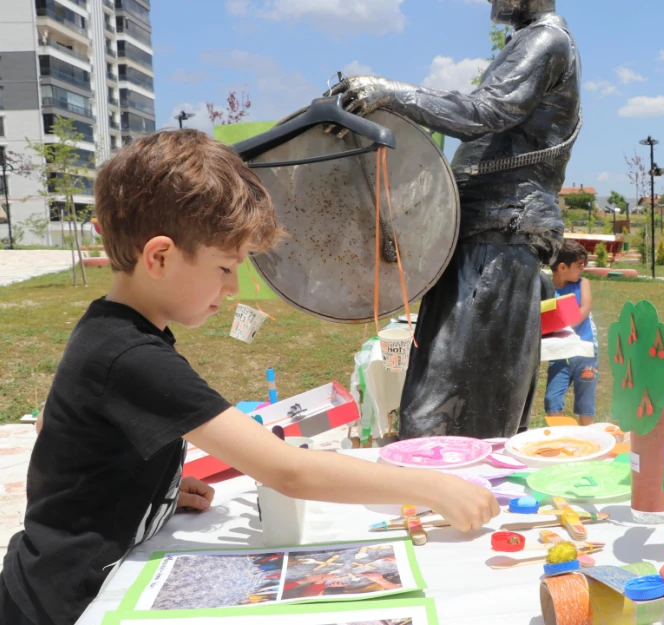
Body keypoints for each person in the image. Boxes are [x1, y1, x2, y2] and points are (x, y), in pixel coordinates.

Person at [0, 131, 500, 625]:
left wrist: (148, 486)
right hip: (58, 601)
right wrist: (432, 488)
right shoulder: (131, 355)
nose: (232, 287)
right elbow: (288, 471)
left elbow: (57, 430)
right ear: (159, 257)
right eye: (224, 267)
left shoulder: (108, 329)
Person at [329, 0, 582, 439]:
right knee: (453, 396)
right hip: (483, 235)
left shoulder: (546, 40)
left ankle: (447, 494)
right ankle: (439, 492)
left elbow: (488, 111)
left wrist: (390, 93)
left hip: (498, 236)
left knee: (450, 404)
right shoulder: (529, 40)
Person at [544, 240, 597, 426]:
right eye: (579, 265)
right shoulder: (547, 289)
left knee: (585, 405)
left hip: (585, 354)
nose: (583, 269)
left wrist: (561, 326)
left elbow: (585, 308)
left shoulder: (583, 284)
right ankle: (563, 439)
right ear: (562, 267)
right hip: (559, 354)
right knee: (552, 401)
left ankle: (589, 439)